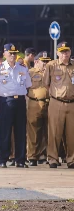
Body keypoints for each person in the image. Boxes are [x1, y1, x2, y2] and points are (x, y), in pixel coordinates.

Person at [0, 43, 32, 168]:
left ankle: (20, 159)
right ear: (5, 54)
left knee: (20, 131)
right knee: (4, 131)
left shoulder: (23, 68)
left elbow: (28, 86)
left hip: (20, 101)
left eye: (14, 53)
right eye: (10, 53)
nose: (12, 55)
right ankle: (3, 159)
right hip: (5, 101)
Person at [42, 41, 74, 169]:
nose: (64, 54)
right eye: (62, 52)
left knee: (71, 134)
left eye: (66, 51)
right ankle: (53, 158)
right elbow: (46, 83)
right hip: (56, 102)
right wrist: (57, 94)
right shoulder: (52, 65)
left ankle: (71, 159)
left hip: (72, 103)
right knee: (54, 132)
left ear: (70, 52)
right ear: (57, 53)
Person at [26, 51, 51, 166]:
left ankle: (44, 155)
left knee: (48, 131)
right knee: (33, 131)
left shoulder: (51, 72)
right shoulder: (30, 72)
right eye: (43, 61)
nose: (46, 63)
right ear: (36, 61)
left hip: (49, 103)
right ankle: (32, 156)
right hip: (35, 103)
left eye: (47, 61)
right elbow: (24, 88)